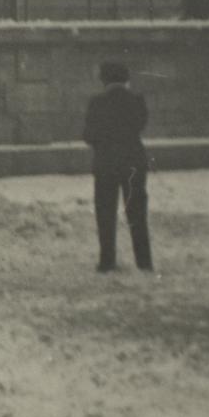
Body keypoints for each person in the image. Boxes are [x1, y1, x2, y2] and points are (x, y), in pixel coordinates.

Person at [82, 61, 153, 273]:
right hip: (133, 163)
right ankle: (144, 261)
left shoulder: (96, 103)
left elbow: (88, 135)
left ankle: (107, 261)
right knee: (137, 214)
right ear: (126, 78)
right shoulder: (137, 101)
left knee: (105, 214)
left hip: (106, 164)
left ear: (104, 79)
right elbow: (140, 125)